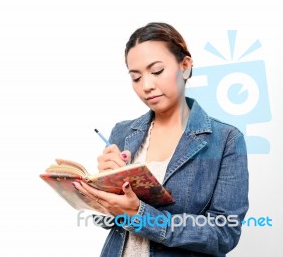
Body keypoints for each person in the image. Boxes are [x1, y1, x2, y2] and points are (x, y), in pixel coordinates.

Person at [73, 22, 249, 256]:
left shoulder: (226, 139)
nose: (146, 86)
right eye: (136, 78)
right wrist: (104, 190)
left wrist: (140, 214)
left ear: (185, 66)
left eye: (156, 71)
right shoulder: (123, 132)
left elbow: (224, 235)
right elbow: (106, 222)